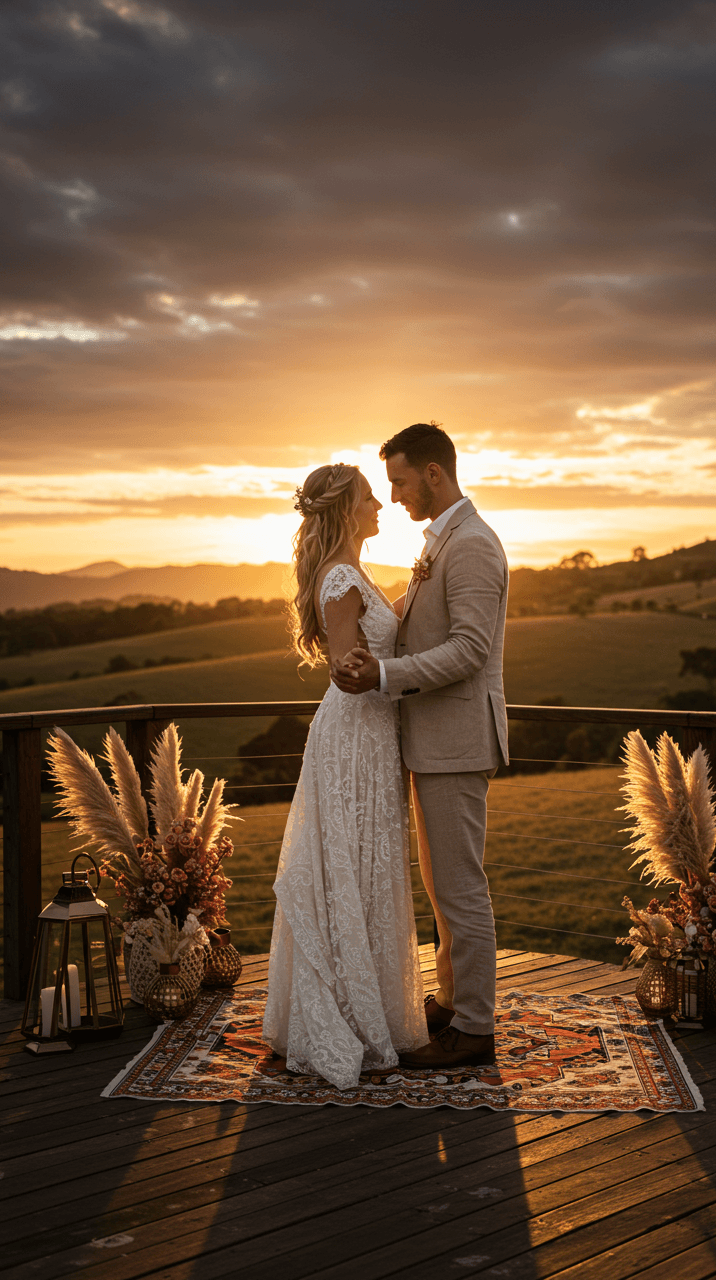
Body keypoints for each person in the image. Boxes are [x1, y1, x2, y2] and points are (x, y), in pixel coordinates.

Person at [333, 423, 509, 1070]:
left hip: (458, 740)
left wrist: (383, 675)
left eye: (401, 482)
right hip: (431, 739)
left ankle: (477, 1027)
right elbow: (416, 618)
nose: (397, 496)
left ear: (434, 474)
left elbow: (470, 650)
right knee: (442, 889)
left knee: (461, 889)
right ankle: (452, 998)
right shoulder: (443, 542)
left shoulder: (472, 547)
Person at [262, 462, 427, 1089]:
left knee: (368, 862)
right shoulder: (339, 577)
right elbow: (343, 660)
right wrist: (353, 662)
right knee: (351, 864)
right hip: (354, 735)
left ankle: (374, 1006)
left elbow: (377, 636)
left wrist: (413, 590)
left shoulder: (356, 574)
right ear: (344, 511)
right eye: (367, 497)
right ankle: (344, 1017)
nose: (380, 504)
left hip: (372, 733)